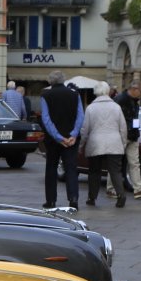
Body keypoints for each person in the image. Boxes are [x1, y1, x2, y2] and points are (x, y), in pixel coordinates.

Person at [38, 70, 83, 212]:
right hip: (71, 139)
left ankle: (51, 200)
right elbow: (80, 116)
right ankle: (73, 199)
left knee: (51, 168)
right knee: (71, 169)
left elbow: (46, 119)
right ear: (64, 80)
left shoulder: (45, 95)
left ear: (50, 81)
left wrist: (58, 137)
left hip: (53, 140)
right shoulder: (75, 94)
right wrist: (73, 135)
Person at [80, 81, 129, 208]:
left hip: (95, 143)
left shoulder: (90, 108)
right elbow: (123, 128)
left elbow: (85, 129)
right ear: (108, 91)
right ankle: (121, 195)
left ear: (96, 92)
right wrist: (123, 143)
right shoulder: (116, 107)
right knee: (115, 171)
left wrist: (81, 144)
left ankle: (92, 197)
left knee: (94, 171)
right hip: (114, 142)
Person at [116, 81, 141, 198]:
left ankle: (138, 188)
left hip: (132, 135)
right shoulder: (120, 99)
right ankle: (111, 188)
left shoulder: (134, 101)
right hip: (122, 135)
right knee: (116, 163)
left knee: (134, 163)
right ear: (134, 89)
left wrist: (135, 131)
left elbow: (134, 119)